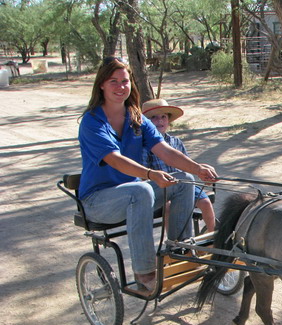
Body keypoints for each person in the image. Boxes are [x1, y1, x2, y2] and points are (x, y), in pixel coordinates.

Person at [78, 56, 218, 293]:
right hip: (99, 201)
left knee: (185, 182)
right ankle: (145, 272)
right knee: (141, 189)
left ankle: (179, 252)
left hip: (134, 194)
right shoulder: (92, 122)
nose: (121, 87)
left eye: (125, 81)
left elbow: (164, 150)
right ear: (101, 84)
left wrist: (197, 168)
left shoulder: (137, 118)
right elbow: (115, 160)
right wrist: (151, 174)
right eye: (114, 81)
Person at [141, 98, 216, 232]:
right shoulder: (145, 146)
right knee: (169, 207)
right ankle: (174, 244)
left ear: (168, 120)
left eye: (163, 117)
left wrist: (202, 168)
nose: (160, 121)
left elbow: (186, 163)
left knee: (205, 202)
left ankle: (213, 236)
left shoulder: (176, 141)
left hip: (184, 183)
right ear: (147, 123)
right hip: (162, 187)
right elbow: (143, 173)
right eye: (154, 118)